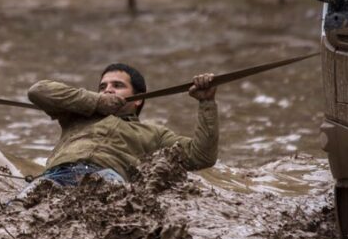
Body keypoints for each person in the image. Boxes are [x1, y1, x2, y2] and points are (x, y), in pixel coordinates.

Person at [24, 63, 218, 188]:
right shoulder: (76, 115)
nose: (108, 90)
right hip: (57, 174)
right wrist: (96, 102)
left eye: (117, 86)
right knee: (17, 211)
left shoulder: (154, 133)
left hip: (107, 178)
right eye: (102, 87)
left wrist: (206, 103)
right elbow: (38, 91)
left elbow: (201, 156)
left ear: (138, 99)